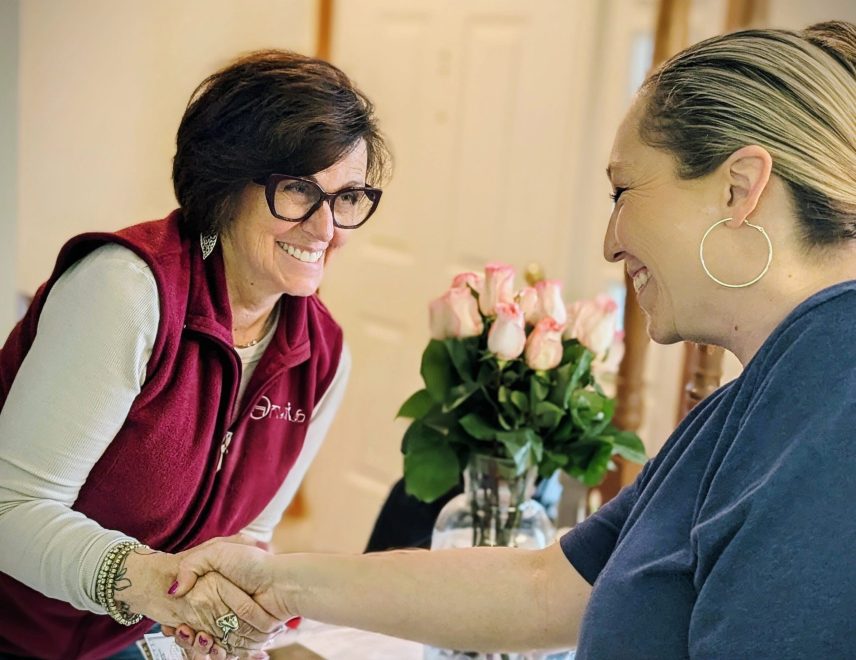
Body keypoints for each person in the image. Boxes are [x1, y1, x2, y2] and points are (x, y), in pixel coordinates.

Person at [167, 21, 856, 659]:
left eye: (622, 192)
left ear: (739, 189)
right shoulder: (757, 399)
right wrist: (278, 580)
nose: (611, 243)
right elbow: (546, 589)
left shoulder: (836, 403)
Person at [0, 50, 388, 659]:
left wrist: (231, 625)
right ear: (225, 183)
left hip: (125, 641)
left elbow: (247, 535)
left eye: (347, 197)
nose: (326, 230)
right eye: (296, 190)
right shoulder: (128, 291)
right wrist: (153, 585)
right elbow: (9, 508)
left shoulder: (322, 356)